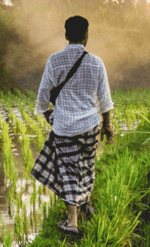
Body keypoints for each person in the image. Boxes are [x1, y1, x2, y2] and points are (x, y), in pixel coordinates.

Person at [31, 15, 115, 234]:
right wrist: (108, 125)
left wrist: (48, 115)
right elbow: (105, 99)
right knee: (86, 165)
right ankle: (83, 210)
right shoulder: (96, 62)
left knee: (68, 171)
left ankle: (73, 221)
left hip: (64, 128)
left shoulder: (54, 61)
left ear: (66, 34)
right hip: (90, 126)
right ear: (86, 36)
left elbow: (42, 96)